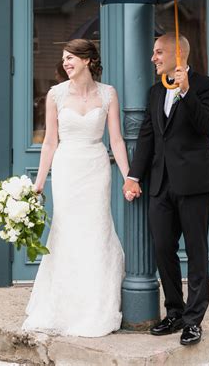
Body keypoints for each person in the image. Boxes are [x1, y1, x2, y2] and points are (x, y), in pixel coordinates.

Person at [23, 39, 129, 337]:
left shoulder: (108, 94)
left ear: (87, 61)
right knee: (66, 231)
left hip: (96, 167)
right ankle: (63, 306)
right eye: (64, 58)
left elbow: (117, 140)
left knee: (96, 231)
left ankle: (95, 306)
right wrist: (40, 182)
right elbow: (49, 142)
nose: (66, 62)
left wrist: (128, 176)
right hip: (67, 168)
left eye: (71, 58)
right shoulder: (55, 95)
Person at [123, 33, 209, 347]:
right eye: (153, 52)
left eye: (159, 52)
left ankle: (193, 321)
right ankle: (175, 312)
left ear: (178, 53)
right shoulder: (155, 92)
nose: (153, 57)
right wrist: (134, 176)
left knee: (196, 251)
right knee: (163, 248)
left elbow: (204, 125)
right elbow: (148, 137)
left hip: (194, 183)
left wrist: (187, 91)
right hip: (161, 184)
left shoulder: (206, 86)